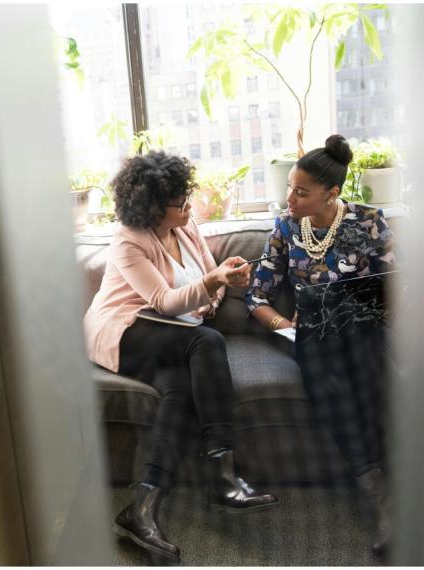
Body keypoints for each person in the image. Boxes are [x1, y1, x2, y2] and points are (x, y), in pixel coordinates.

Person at [84, 150, 278, 563]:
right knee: (206, 342)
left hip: (170, 332)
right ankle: (225, 476)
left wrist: (219, 287)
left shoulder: (187, 229)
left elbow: (211, 280)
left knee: (180, 389)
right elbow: (163, 300)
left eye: (187, 198)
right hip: (125, 327)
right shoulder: (128, 241)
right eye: (180, 202)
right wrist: (210, 286)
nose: (189, 206)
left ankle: (141, 508)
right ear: (154, 207)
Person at [245, 134, 396, 556]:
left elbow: (393, 291)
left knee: (369, 367)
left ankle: (392, 487)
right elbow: (256, 296)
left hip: (365, 332)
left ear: (333, 193)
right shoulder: (285, 226)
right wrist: (285, 324)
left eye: (301, 191)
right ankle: (378, 494)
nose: (289, 197)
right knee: (324, 367)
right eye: (290, 187)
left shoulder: (369, 221)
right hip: (313, 336)